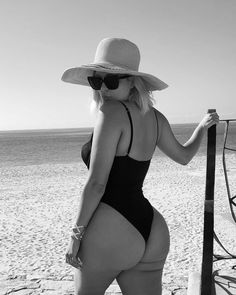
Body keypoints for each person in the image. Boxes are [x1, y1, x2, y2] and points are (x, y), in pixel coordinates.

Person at [61, 38, 219, 295]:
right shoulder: (156, 118)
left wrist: (75, 236)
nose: (103, 89)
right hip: (152, 230)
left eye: (111, 81)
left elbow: (97, 184)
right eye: (97, 80)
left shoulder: (110, 112)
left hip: (110, 229)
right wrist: (201, 128)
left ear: (133, 81)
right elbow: (184, 156)